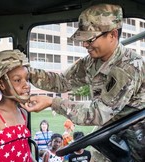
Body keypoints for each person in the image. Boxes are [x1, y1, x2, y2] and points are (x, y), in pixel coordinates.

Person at [22, 3, 145, 162]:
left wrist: (53, 103)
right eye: (83, 38)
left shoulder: (128, 67)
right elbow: (62, 81)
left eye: (90, 39)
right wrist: (26, 74)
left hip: (136, 140)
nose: (84, 44)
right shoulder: (91, 61)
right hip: (111, 130)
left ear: (113, 35)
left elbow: (99, 113)